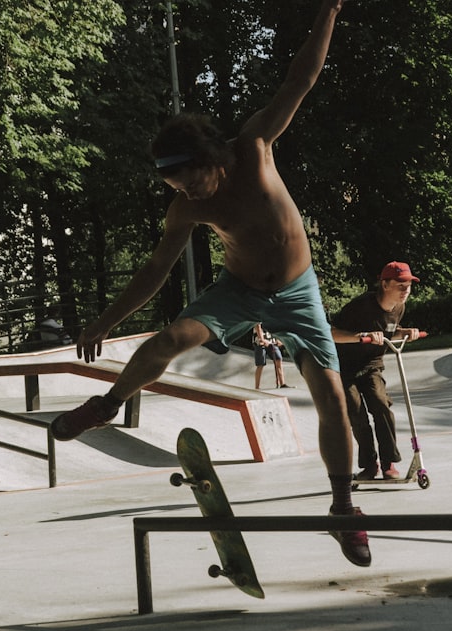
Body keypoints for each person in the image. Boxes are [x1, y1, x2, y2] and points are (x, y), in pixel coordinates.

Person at [49, 0, 371, 567]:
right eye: (176, 185)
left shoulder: (254, 148)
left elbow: (302, 78)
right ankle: (108, 404)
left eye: (189, 180)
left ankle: (344, 508)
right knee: (170, 340)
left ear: (209, 159)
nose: (188, 194)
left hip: (298, 293)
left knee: (332, 400)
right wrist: (105, 321)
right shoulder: (183, 209)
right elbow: (154, 271)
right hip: (239, 292)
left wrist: (328, 11)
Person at [330, 262, 422, 480]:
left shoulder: (399, 308)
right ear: (385, 284)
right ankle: (370, 466)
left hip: (372, 364)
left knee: (381, 406)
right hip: (345, 367)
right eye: (400, 285)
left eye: (408, 286)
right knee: (357, 413)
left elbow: (388, 332)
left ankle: (389, 463)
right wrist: (358, 336)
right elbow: (331, 333)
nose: (405, 291)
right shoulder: (360, 307)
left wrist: (404, 332)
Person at [253, 323, 291, 389]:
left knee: (278, 358)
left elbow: (276, 327)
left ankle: (282, 383)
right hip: (260, 342)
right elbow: (257, 326)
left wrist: (278, 339)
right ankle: (257, 387)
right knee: (261, 364)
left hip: (271, 341)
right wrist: (262, 339)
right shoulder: (260, 315)